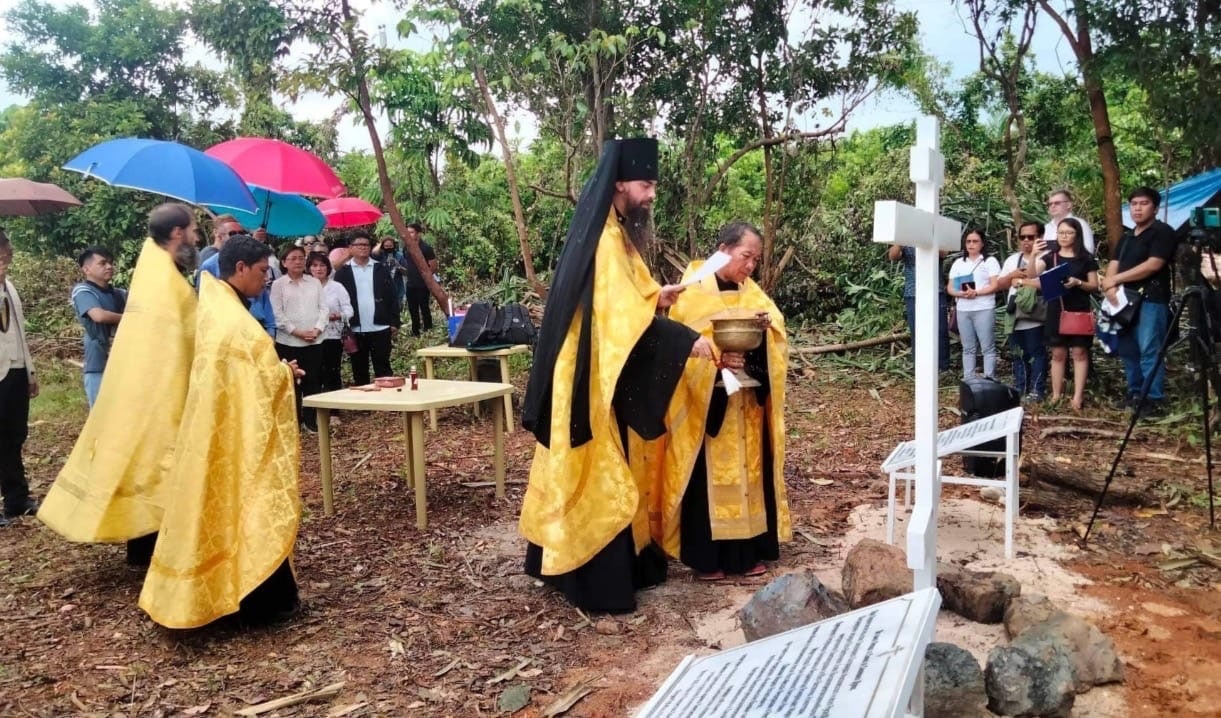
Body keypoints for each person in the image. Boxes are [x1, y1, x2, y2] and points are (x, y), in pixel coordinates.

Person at [519, 137, 714, 614]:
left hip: (596, 367)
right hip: (590, 375)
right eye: (646, 184)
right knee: (597, 469)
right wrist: (684, 339)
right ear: (621, 183)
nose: (650, 194)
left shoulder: (611, 230)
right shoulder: (605, 239)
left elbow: (627, 302)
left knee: (603, 464)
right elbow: (617, 319)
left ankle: (609, 564)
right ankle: (596, 581)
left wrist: (658, 297)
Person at [139, 236, 302, 628]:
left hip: (220, 430)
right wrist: (285, 374)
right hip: (238, 437)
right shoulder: (233, 322)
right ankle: (255, 602)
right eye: (263, 272)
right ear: (241, 268)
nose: (266, 279)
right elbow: (257, 380)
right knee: (249, 505)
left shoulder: (218, 307)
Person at [38, 204, 198, 562]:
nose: (197, 237)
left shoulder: (154, 269)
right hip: (158, 386)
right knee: (154, 460)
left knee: (147, 459)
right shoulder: (162, 279)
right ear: (176, 233)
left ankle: (147, 544)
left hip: (151, 382)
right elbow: (172, 331)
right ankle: (146, 545)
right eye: (193, 229)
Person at [652, 222, 791, 580]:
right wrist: (716, 362)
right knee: (707, 478)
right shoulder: (692, 289)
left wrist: (756, 350)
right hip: (708, 407)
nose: (750, 267)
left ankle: (745, 555)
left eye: (756, 260)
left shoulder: (752, 291)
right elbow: (677, 346)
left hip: (746, 404)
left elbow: (777, 333)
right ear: (724, 249)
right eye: (746, 256)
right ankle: (706, 557)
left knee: (750, 474)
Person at [1103, 187, 1180, 417]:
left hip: (1151, 298)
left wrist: (1115, 279)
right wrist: (1109, 285)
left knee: (1149, 348)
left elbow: (1153, 264)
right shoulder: (1127, 236)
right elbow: (1114, 263)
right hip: (1123, 300)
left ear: (1155, 208)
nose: (1137, 208)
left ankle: (1153, 399)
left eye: (1143, 203)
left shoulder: (1162, 232)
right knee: (1128, 349)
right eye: (1134, 203)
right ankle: (1135, 393)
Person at [1017, 218, 1099, 410]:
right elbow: (1030, 276)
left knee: (1079, 352)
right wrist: (1035, 255)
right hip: (1056, 309)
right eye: (1060, 232)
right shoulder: (1050, 257)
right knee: (1058, 353)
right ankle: (1056, 395)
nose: (1064, 236)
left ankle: (1077, 397)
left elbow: (1094, 286)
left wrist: (1078, 283)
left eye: (1069, 233)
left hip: (1078, 308)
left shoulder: (1086, 258)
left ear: (1077, 235)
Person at [0, 229, 39, 526]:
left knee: (14, 436)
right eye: (3, 251)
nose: (7, 255)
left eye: (7, 250)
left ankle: (16, 499)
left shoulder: (10, 287)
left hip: (14, 369)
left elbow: (20, 333)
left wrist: (30, 372)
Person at [270, 245, 328, 433]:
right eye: (293, 258)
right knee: (290, 383)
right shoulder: (278, 285)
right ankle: (293, 422)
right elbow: (277, 314)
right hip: (289, 342)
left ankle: (311, 421)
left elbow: (324, 309)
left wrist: (317, 329)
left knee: (313, 380)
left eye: (301, 258)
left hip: (314, 341)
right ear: (284, 262)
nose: (298, 262)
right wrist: (298, 332)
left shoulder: (314, 282)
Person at [333, 229, 400, 385]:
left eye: (366, 244)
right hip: (355, 328)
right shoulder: (343, 272)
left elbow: (392, 296)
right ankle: (363, 404)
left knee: (383, 366)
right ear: (351, 248)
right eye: (359, 245)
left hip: (380, 327)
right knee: (359, 368)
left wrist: (394, 321)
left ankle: (387, 403)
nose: (363, 247)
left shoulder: (380, 268)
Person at [197, 223, 277, 338]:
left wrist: (271, 330)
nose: (267, 278)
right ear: (241, 268)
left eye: (242, 233)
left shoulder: (236, 302)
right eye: (233, 234)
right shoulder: (229, 319)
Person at [998, 222, 1048, 401]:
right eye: (1022, 237)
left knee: (1036, 351)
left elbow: (1036, 278)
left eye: (1031, 237)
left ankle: (1037, 389)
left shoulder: (1047, 257)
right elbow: (1000, 284)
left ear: (1040, 237)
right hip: (1015, 312)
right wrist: (1012, 275)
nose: (1026, 240)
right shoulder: (1013, 259)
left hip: (1035, 312)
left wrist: (1021, 279)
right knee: (1018, 353)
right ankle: (1021, 388)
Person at [71, 246, 127, 408]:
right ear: (86, 269)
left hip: (124, 364)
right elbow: (99, 316)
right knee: (101, 416)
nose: (109, 266)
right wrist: (130, 319)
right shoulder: (82, 291)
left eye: (110, 263)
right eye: (102, 263)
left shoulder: (120, 294)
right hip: (98, 365)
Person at [947, 228, 1002, 380]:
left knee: (987, 347)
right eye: (968, 241)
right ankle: (969, 379)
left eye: (975, 241)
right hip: (963, 308)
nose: (971, 244)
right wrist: (961, 294)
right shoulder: (959, 262)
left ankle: (989, 378)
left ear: (982, 243)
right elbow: (950, 287)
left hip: (983, 307)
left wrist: (976, 292)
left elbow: (994, 285)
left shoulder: (989, 261)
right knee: (968, 347)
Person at [887, 243, 951, 371]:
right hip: (913, 292)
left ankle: (942, 366)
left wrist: (929, 240)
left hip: (935, 290)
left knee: (940, 329)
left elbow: (944, 252)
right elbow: (893, 256)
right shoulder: (906, 238)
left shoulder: (934, 231)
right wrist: (902, 240)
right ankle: (920, 366)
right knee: (917, 330)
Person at [308, 251, 352, 394]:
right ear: (309, 268)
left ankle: (334, 411)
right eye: (315, 265)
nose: (319, 269)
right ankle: (317, 409)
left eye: (322, 265)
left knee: (332, 371)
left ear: (328, 268)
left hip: (332, 336)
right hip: (310, 336)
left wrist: (339, 315)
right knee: (315, 372)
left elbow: (349, 310)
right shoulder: (304, 287)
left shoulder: (337, 287)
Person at [402, 224, 438, 337]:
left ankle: (428, 329)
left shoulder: (426, 248)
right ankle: (415, 331)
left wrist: (425, 277)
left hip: (423, 284)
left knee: (424, 307)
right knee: (412, 309)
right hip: (410, 284)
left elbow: (433, 266)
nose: (409, 235)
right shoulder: (406, 248)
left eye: (411, 232)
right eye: (408, 232)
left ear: (418, 234)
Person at [1044, 189, 1095, 255]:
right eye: (1050, 204)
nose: (1052, 206)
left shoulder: (1080, 224)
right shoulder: (1046, 228)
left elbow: (1088, 250)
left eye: (1057, 203)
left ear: (1069, 205)